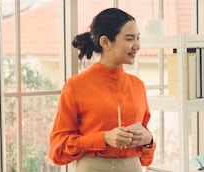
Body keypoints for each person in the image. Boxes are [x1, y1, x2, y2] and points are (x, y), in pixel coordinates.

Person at [49, 8, 156, 172]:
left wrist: (148, 140)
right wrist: (103, 138)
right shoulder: (75, 86)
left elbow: (146, 158)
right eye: (129, 38)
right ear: (105, 42)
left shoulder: (138, 86)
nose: (137, 45)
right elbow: (58, 150)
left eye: (138, 38)